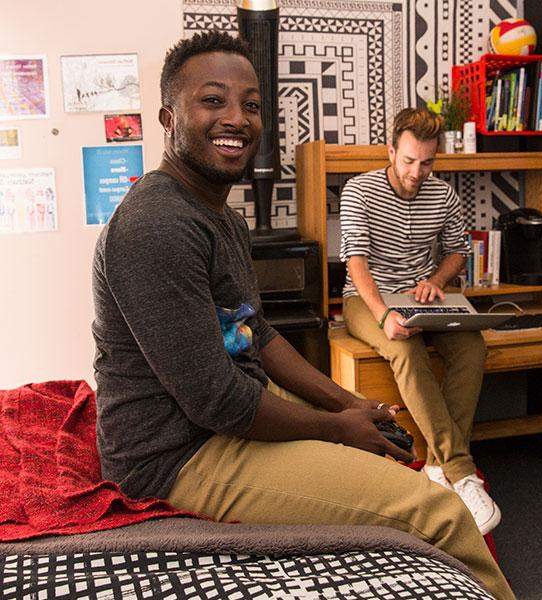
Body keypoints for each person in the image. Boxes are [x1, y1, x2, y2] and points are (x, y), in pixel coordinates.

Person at [91, 32, 515, 600]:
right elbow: (218, 402)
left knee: (383, 443)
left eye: (251, 104)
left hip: (216, 422)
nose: (237, 118)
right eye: (213, 100)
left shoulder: (221, 217)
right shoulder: (155, 225)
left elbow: (256, 334)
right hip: (176, 454)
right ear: (169, 116)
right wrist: (334, 425)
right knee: (437, 512)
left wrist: (348, 403)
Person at [340, 107, 499, 535]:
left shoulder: (442, 194)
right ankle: (463, 474)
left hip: (422, 298)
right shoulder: (360, 190)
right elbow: (355, 261)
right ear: (391, 151)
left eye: (427, 162)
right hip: (365, 299)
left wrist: (436, 280)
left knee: (472, 346)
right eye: (409, 160)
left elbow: (457, 250)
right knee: (406, 349)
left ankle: (434, 466)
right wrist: (384, 314)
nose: (416, 171)